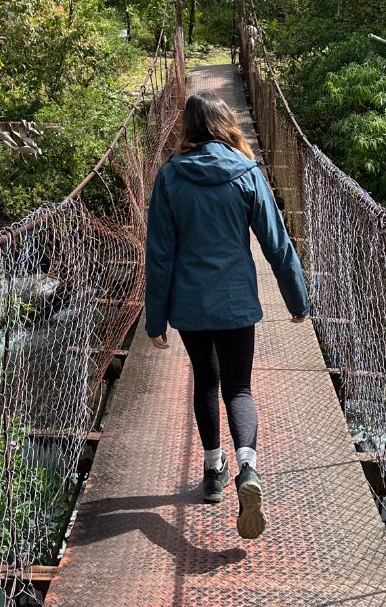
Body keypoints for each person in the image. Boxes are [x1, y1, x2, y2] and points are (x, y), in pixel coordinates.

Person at [144, 90, 310, 540]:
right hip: (237, 302)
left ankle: (213, 473)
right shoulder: (248, 172)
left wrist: (154, 320)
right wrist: (297, 300)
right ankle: (248, 468)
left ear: (189, 129)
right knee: (239, 387)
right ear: (226, 123)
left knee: (207, 381)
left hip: (190, 304)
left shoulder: (170, 178)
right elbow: (277, 244)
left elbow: (159, 254)